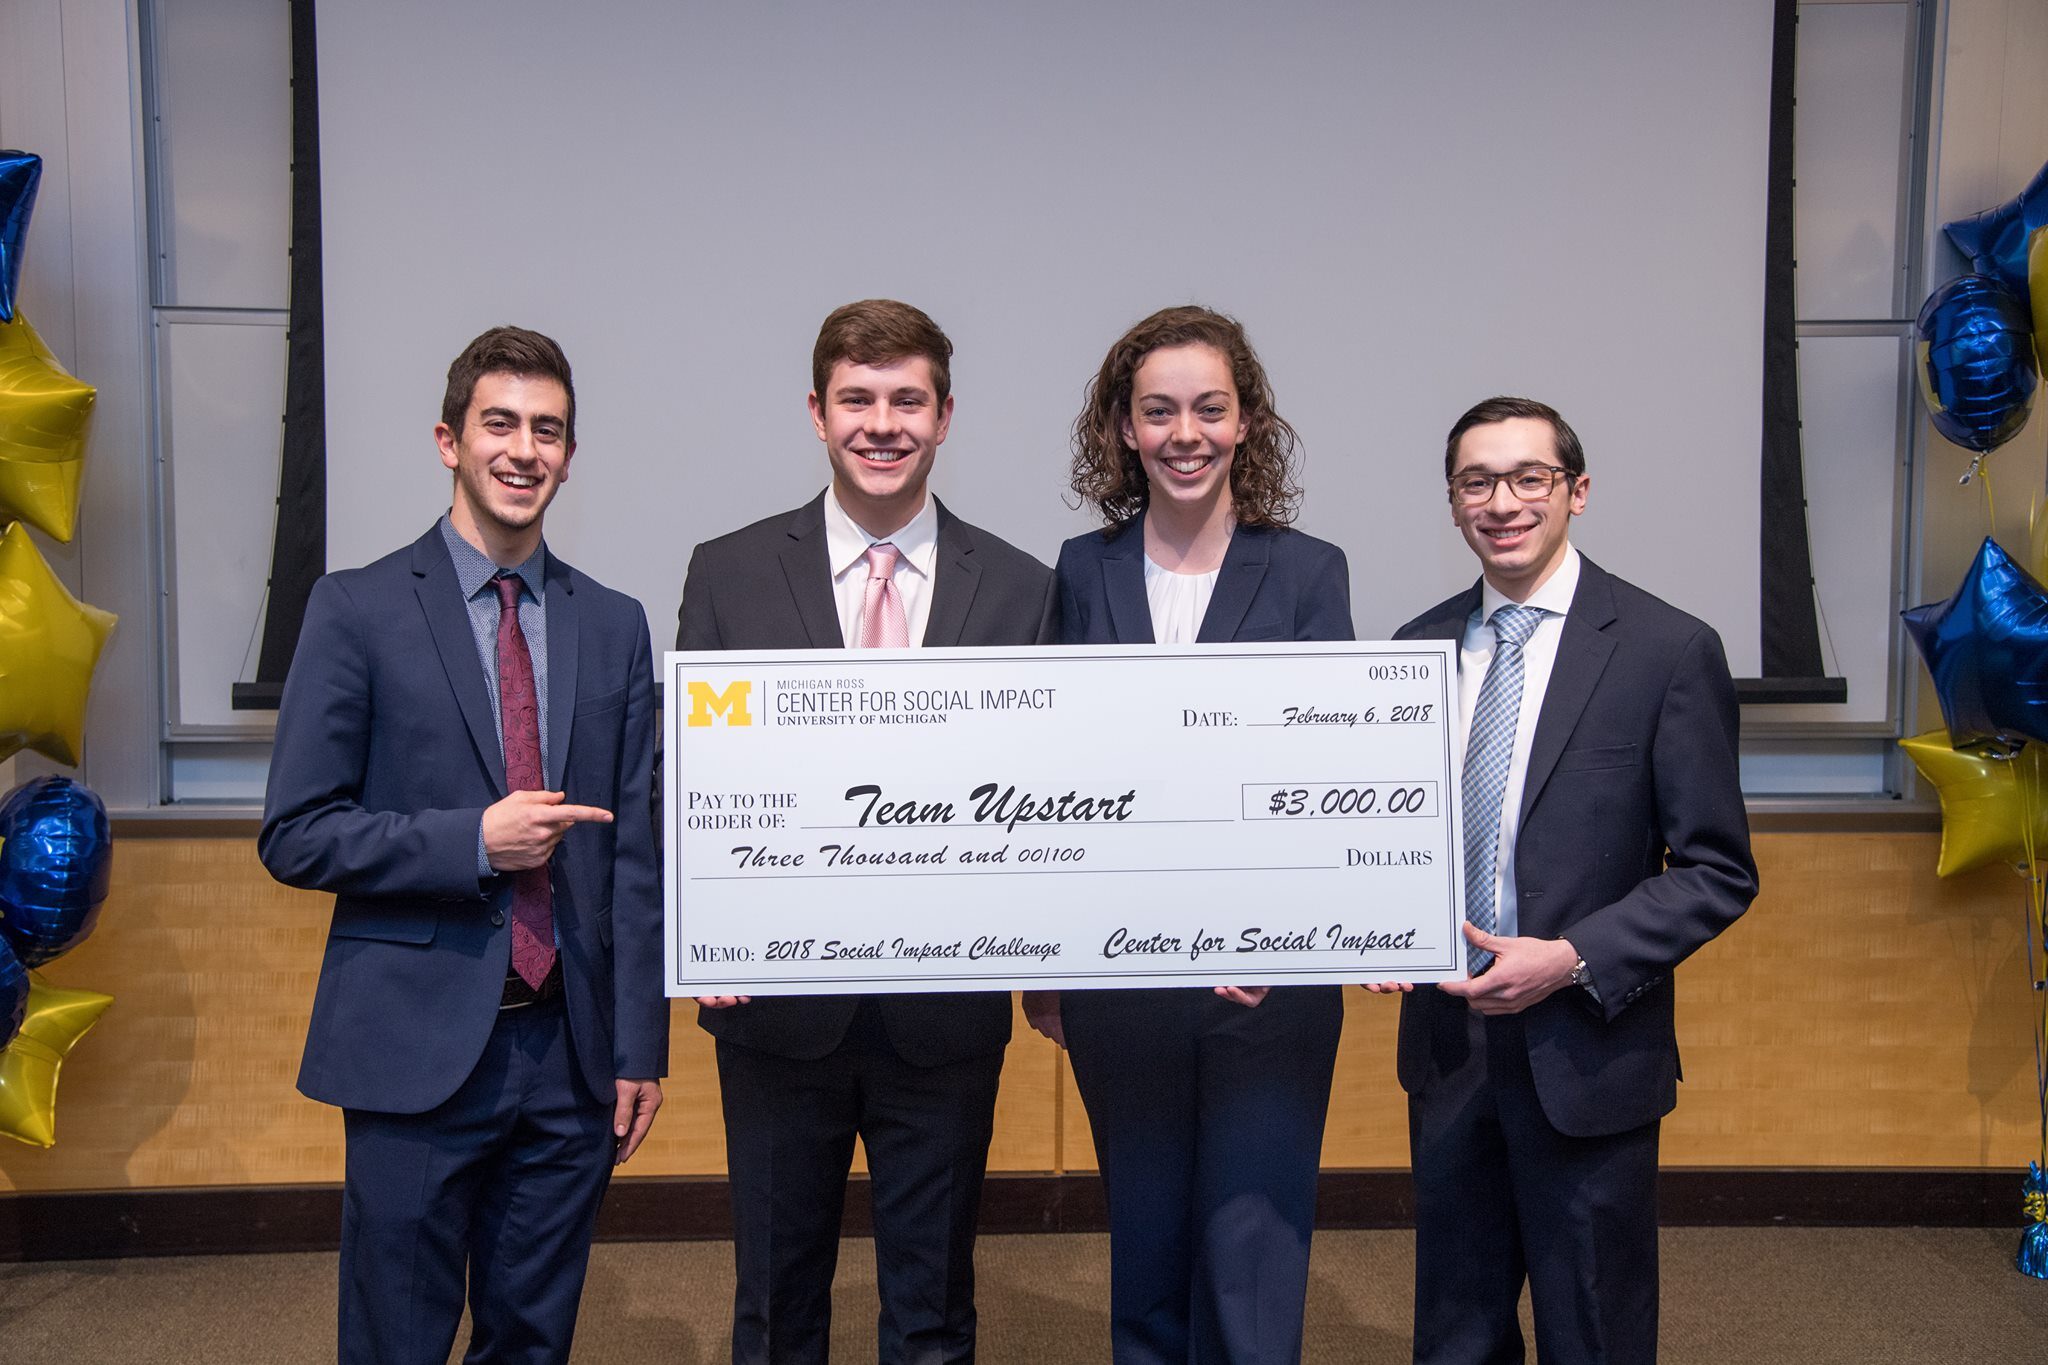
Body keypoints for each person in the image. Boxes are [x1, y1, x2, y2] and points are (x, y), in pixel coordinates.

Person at [259, 326, 667, 1363]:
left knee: (532, 1340)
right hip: (415, 1050)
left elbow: (633, 860)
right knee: (398, 1338)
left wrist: (636, 1047)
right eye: (500, 424)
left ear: (569, 454)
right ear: (448, 439)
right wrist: (472, 842)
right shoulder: (353, 608)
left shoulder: (613, 624)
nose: (523, 449)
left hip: (569, 1062)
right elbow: (297, 833)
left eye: (548, 430)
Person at [676, 298, 1056, 1364]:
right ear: (815, 411)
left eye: (905, 400)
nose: (879, 423)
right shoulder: (731, 571)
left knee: (931, 1311)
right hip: (772, 1007)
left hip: (944, 1012)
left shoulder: (1024, 591)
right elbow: (690, 774)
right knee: (774, 1305)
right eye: (855, 399)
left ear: (944, 417)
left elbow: (1043, 792)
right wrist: (702, 924)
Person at [1373, 396, 1758, 1365]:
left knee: (1593, 1331)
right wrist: (1373, 925)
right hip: (1447, 1051)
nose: (1500, 501)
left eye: (1526, 478)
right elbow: (1386, 839)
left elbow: (1715, 869)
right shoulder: (1408, 653)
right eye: (1475, 481)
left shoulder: (1666, 652)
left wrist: (1570, 957)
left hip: (1585, 1054)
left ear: (1574, 492)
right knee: (1453, 1334)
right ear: (1452, 502)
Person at [1024, 304, 1351, 1364]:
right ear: (1121, 429)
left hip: (1268, 991)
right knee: (1148, 1266)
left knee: (1250, 1274)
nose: (1183, 433)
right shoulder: (1079, 571)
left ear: (1246, 422)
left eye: (1208, 409)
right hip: (1120, 989)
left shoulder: (1307, 572)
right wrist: (1047, 965)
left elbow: (1323, 775)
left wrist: (1284, 933)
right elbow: (1057, 777)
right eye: (1157, 411)